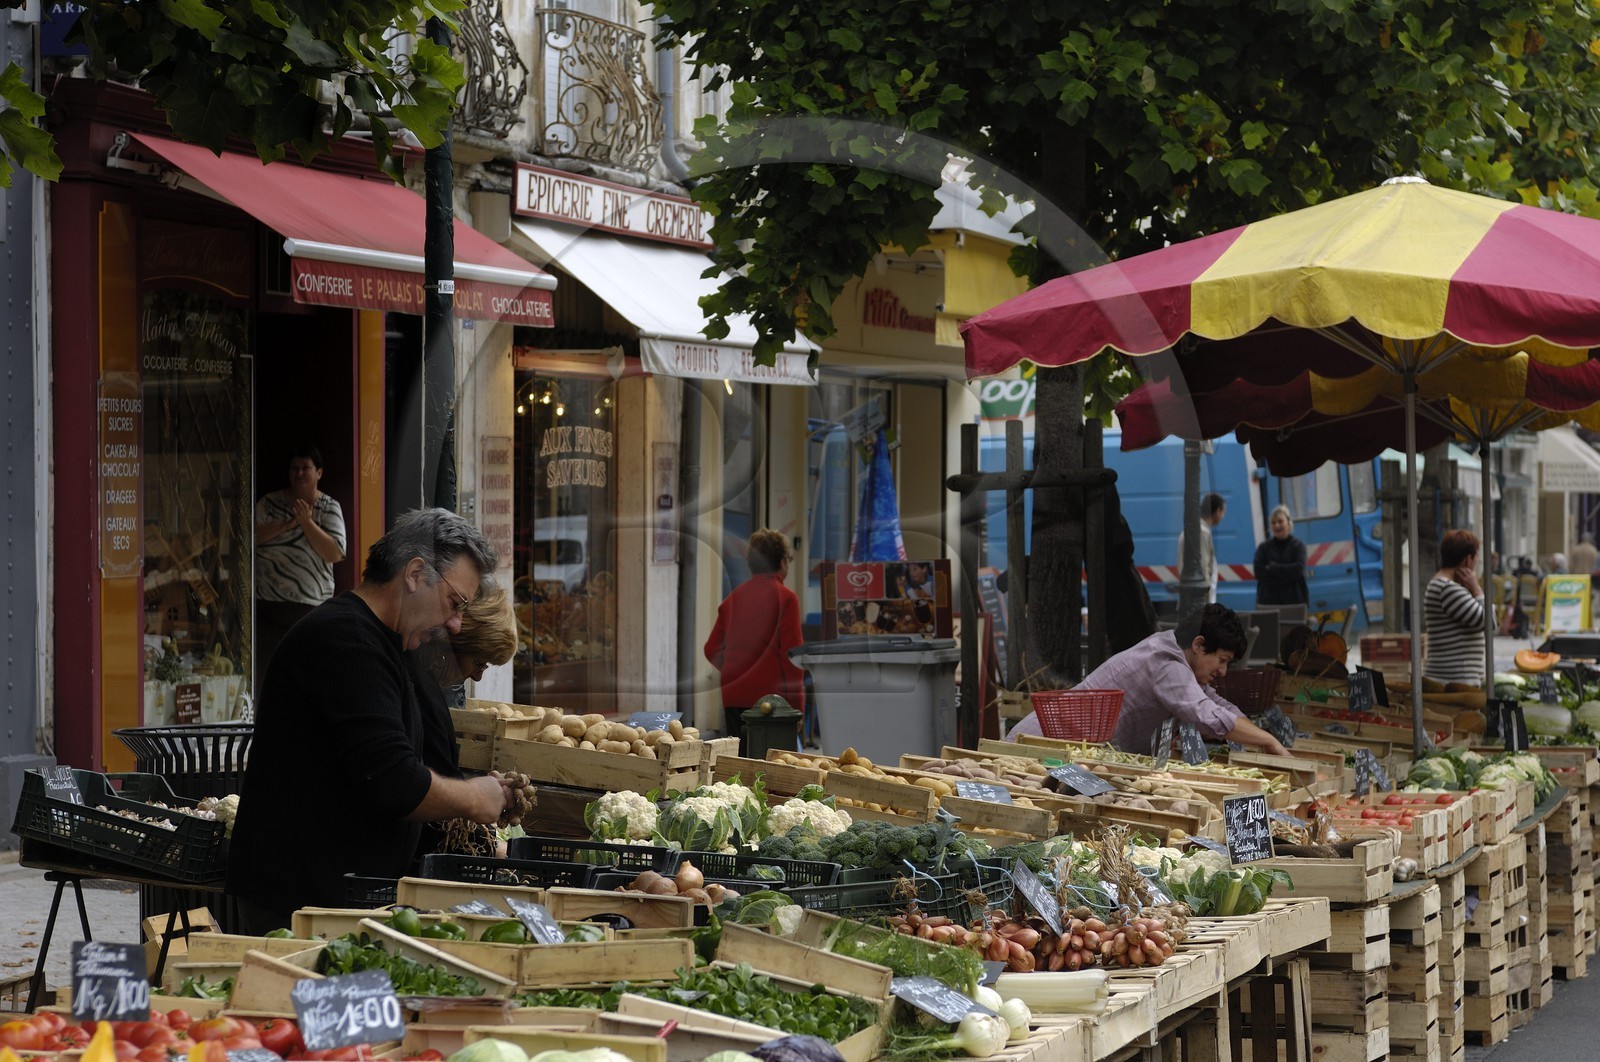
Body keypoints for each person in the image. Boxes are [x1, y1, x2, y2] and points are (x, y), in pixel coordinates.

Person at [226, 508, 513, 932]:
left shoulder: (381, 644)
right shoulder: (348, 642)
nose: (455, 624)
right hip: (299, 906)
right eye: (455, 603)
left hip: (331, 899)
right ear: (415, 573)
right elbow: (391, 779)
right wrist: (475, 797)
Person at [1006, 604, 1290, 756]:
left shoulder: (1180, 661)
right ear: (1199, 645)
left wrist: (1265, 741)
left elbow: (1215, 704)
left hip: (1071, 753)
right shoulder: (1166, 663)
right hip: (1038, 746)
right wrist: (1268, 741)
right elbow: (1206, 715)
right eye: (1223, 660)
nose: (1223, 672)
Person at [705, 529, 806, 752]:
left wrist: (736, 668)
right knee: (770, 770)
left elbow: (712, 648)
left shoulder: (733, 599)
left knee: (740, 766)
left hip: (734, 695)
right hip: (773, 703)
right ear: (781, 562)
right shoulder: (786, 599)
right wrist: (797, 708)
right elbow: (792, 660)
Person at [254, 446, 347, 686]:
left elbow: (335, 553)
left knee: (305, 676)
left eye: (306, 468)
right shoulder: (269, 502)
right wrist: (289, 523)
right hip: (267, 609)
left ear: (319, 473)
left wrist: (306, 523)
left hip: (309, 611)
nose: (299, 473)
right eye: (294, 468)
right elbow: (249, 538)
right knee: (266, 677)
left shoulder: (329, 507)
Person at [410, 580, 520, 777]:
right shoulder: (417, 688)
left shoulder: (433, 683)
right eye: (479, 663)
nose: (477, 678)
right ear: (454, 642)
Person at [1425, 529, 1486, 686]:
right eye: (1476, 557)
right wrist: (1476, 588)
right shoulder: (1448, 589)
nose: (1476, 561)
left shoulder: (1440, 585)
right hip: (1455, 681)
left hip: (1451, 677)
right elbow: (1487, 621)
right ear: (1467, 560)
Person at [1254, 505, 1308, 607]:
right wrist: (1287, 572)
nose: (1277, 525)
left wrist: (1273, 567)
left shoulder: (1298, 546)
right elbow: (1258, 573)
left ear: (1288, 523)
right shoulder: (1263, 548)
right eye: (1273, 523)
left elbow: (1298, 569)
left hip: (1294, 602)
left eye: (1280, 521)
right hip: (1269, 603)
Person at [1177, 492, 1226, 604]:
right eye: (1223, 511)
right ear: (1217, 511)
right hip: (1199, 601)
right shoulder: (1202, 533)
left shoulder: (1194, 529)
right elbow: (1202, 568)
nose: (1223, 516)